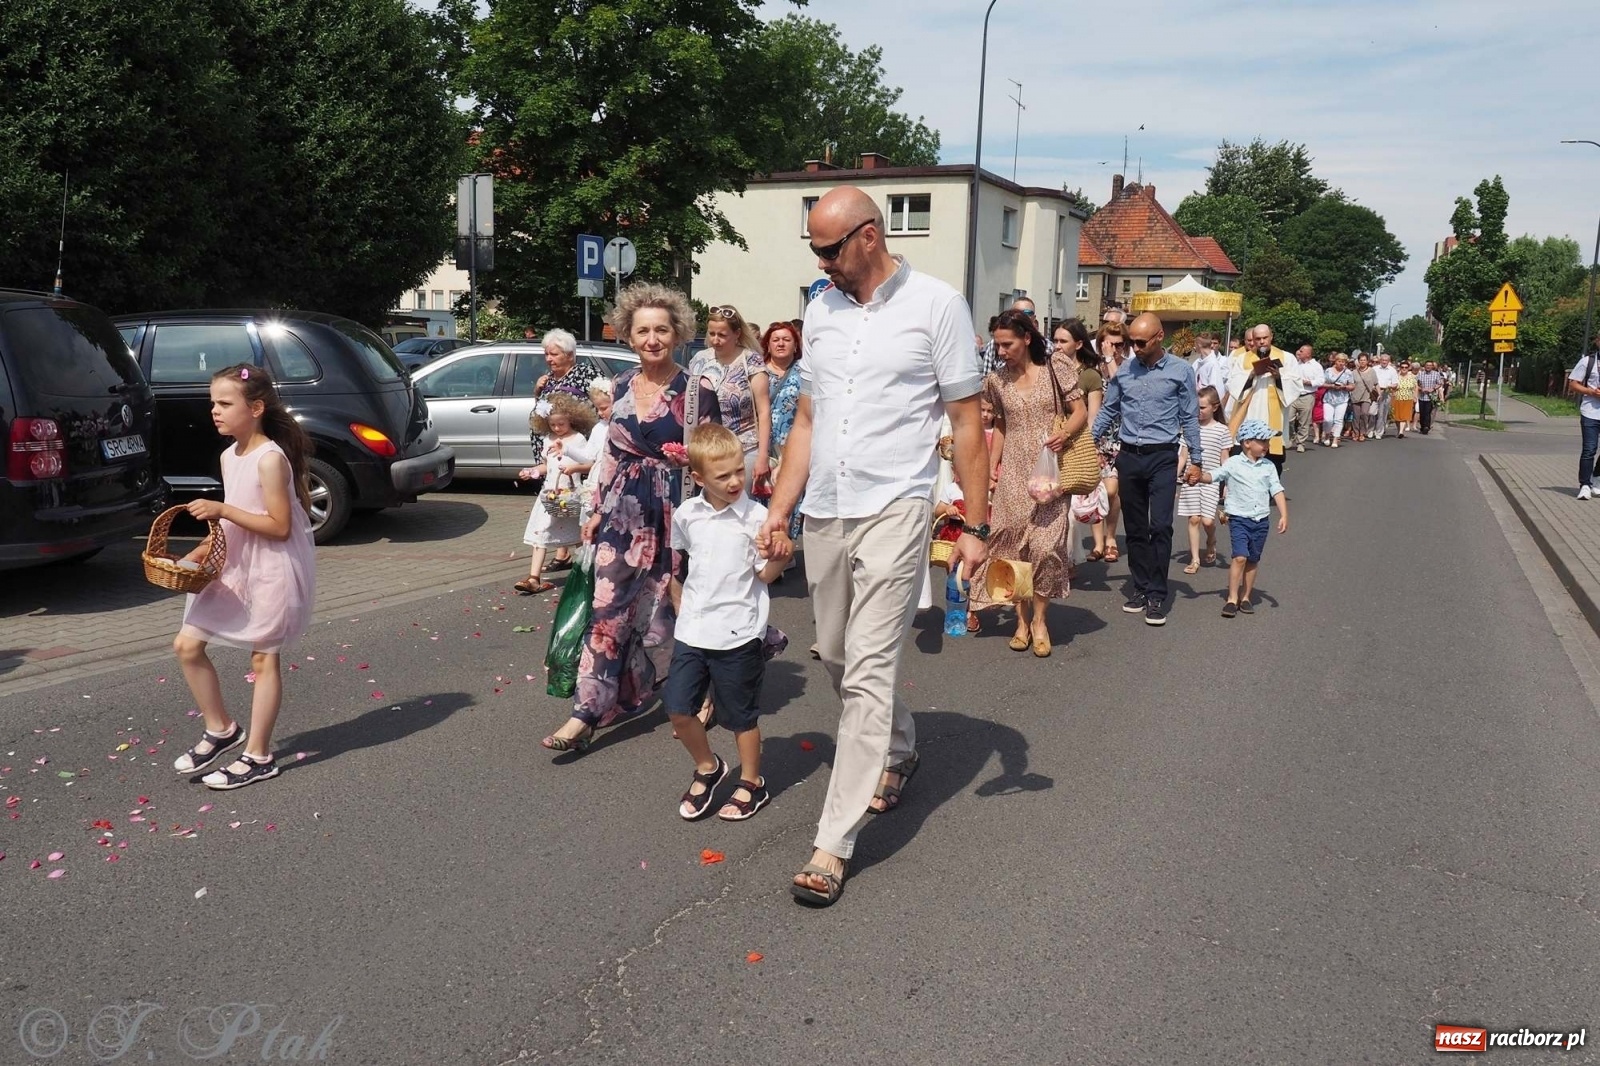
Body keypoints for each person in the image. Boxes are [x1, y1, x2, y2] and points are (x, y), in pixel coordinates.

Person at [759, 185, 989, 907]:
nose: (820, 262)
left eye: (828, 248)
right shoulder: (820, 310)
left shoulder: (938, 305)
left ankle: (833, 842)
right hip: (827, 507)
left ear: (868, 236)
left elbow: (967, 421)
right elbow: (807, 420)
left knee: (867, 669)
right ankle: (899, 744)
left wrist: (976, 527)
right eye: (813, 249)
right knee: (833, 652)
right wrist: (779, 511)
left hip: (897, 503)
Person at [540, 284, 720, 753]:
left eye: (662, 330)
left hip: (678, 511)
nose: (652, 339)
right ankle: (586, 711)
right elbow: (612, 456)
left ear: (677, 333)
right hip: (622, 512)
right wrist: (596, 509)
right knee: (608, 610)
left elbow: (718, 458)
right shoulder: (619, 385)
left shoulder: (697, 391)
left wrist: (690, 463)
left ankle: (705, 688)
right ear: (628, 335)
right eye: (643, 331)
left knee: (683, 606)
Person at [170, 364, 316, 791]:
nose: (214, 411)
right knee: (186, 645)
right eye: (212, 402)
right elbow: (232, 523)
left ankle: (259, 756)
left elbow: (279, 527)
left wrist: (222, 509)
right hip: (234, 565)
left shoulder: (270, 459)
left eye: (224, 403)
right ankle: (221, 729)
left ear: (255, 408)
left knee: (263, 658)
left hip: (270, 567)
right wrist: (199, 551)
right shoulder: (228, 455)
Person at [666, 425, 790, 822]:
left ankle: (752, 781)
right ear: (699, 478)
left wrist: (782, 557)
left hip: (738, 631)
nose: (735, 481)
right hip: (693, 629)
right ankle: (708, 766)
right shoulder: (686, 515)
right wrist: (677, 601)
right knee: (679, 709)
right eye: (723, 476)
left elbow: (765, 575)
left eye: (739, 470)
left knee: (740, 716)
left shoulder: (758, 518)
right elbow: (682, 565)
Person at [969, 308, 1087, 656]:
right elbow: (1001, 426)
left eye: (1007, 344)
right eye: (997, 344)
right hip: (1014, 473)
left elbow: (1080, 411)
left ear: (1027, 338)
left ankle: (1040, 620)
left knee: (1046, 548)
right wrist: (993, 465)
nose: (1001, 351)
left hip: (1050, 470)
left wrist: (1064, 434)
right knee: (1014, 550)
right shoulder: (996, 381)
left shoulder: (1055, 367)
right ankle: (1021, 621)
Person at [1090, 311, 1203, 626]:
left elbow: (1189, 416)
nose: (1135, 348)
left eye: (1141, 342)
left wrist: (1197, 459)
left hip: (1163, 456)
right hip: (1129, 456)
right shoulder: (1126, 370)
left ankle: (1157, 593)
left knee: (1161, 526)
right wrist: (1088, 442)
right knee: (1136, 528)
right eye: (1132, 342)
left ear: (1159, 337)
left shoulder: (1180, 371)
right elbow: (1109, 409)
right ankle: (1140, 587)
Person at [1198, 420, 1288, 617]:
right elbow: (1215, 475)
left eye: (1268, 441)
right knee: (1240, 557)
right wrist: (1198, 476)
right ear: (1247, 443)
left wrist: (1284, 514)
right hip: (1239, 519)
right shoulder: (1233, 463)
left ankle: (1245, 597)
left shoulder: (1269, 466)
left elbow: (1277, 489)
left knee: (1252, 559)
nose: (1267, 445)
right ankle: (1232, 598)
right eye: (1262, 441)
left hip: (1261, 520)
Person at [531, 329, 601, 571]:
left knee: (573, 499)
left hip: (576, 450)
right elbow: (541, 411)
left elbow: (599, 406)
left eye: (554, 354)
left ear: (570, 355)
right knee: (558, 498)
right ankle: (563, 554)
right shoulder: (549, 379)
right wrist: (537, 391)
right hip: (549, 447)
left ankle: (579, 557)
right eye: (546, 354)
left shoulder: (585, 374)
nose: (549, 359)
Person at [515, 394, 597, 595]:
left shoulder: (578, 439)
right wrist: (531, 471)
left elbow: (589, 464)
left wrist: (574, 469)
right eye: (552, 424)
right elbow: (546, 466)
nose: (557, 428)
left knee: (580, 536)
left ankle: (586, 573)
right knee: (540, 533)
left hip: (572, 495)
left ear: (572, 419)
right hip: (550, 495)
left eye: (561, 424)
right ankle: (533, 577)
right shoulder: (548, 439)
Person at [692, 306, 772, 490]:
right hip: (706, 450)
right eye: (711, 333)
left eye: (722, 335)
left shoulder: (750, 360)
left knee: (738, 504)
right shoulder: (699, 359)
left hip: (744, 449)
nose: (715, 340)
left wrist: (763, 456)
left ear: (737, 334)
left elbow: (764, 412)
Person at [1057, 319, 1107, 562]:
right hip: (1053, 443)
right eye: (1055, 340)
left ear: (1078, 344)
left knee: (1071, 508)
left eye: (1063, 341)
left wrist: (1091, 449)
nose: (1057, 346)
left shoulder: (1089, 376)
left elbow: (1093, 416)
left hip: (1077, 445)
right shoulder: (1048, 371)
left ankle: (1068, 559)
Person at [1225, 324, 1299, 473]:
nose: (1262, 342)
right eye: (1258, 339)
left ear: (1271, 337)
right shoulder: (1242, 359)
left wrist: (1278, 377)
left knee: (1272, 466)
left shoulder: (1287, 358)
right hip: (1249, 414)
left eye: (1265, 338)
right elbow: (1232, 383)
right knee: (1244, 465)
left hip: (1274, 417)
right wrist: (1251, 374)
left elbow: (1296, 384)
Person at [1177, 386, 1232, 574]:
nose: (1198, 411)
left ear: (1214, 407)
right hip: (1191, 480)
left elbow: (1225, 460)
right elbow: (1183, 456)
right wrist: (1174, 475)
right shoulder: (1189, 428)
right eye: (1196, 407)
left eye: (1202, 408)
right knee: (1194, 519)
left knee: (1208, 521)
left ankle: (1211, 540)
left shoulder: (1222, 430)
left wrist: (1228, 484)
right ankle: (1195, 559)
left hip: (1211, 481)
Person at [1092, 321, 1129, 563]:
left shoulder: (1129, 368)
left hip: (1121, 436)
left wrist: (1110, 360)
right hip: (1098, 435)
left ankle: (1111, 536)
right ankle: (1098, 542)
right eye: (1109, 344)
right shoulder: (1093, 370)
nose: (1114, 349)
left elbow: (1123, 390)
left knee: (1113, 490)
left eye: (1119, 344)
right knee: (1096, 488)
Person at [763, 321, 805, 536]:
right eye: (776, 340)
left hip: (793, 446)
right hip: (761, 446)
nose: (781, 344)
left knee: (789, 496)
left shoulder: (805, 372)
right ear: (768, 345)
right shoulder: (757, 372)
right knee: (762, 497)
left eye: (786, 340)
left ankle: (784, 543)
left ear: (796, 345)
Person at [1567, 336, 1600, 499]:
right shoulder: (1588, 361)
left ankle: (1596, 477)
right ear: (1598, 341)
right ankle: (1585, 485)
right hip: (1590, 412)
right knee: (1589, 449)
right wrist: (1591, 392)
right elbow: (1573, 384)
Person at [982, 295, 1039, 375]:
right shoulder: (992, 346)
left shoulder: (1047, 348)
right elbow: (986, 377)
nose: (1001, 352)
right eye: (1016, 313)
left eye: (1026, 313)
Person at [1288, 345, 1323, 452]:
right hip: (1294, 395)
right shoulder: (1295, 364)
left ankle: (1301, 443)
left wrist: (1309, 382)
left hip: (1307, 395)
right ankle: (1291, 436)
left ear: (1308, 354)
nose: (1299, 352)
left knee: (1304, 421)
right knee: (1288, 419)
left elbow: (1321, 380)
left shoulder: (1316, 366)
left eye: (1302, 351)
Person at [1321, 352, 1354, 448]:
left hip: (1342, 399)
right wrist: (1332, 386)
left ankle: (1335, 438)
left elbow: (1352, 386)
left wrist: (1344, 387)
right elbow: (1322, 383)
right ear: (1335, 361)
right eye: (1339, 361)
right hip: (1329, 398)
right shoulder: (1328, 371)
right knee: (1328, 419)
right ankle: (1327, 434)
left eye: (1343, 362)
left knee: (1338, 420)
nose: (1341, 363)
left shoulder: (1348, 372)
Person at [1192, 332, 1231, 406]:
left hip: (1207, 405)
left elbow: (1214, 391)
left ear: (1199, 345)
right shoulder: (1197, 363)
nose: (1194, 347)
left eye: (1195, 344)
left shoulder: (1212, 364)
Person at [1371, 352, 1400, 439]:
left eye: (1386, 360)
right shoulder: (1374, 369)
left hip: (1386, 392)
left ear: (1388, 361)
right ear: (1380, 360)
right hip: (1374, 392)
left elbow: (1395, 384)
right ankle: (1370, 429)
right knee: (1372, 412)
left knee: (1382, 413)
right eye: (1383, 360)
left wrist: (1389, 386)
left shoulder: (1392, 370)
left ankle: (1379, 432)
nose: (1384, 362)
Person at [1350, 352, 1375, 442]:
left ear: (1367, 361)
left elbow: (1376, 383)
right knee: (1356, 416)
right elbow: (1350, 383)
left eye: (1364, 360)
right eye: (1361, 360)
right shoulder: (1353, 372)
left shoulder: (1372, 371)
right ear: (1358, 361)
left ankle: (1362, 432)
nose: (1362, 362)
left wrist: (1378, 394)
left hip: (1366, 396)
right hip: (1356, 395)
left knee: (1364, 413)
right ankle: (1356, 432)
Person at [1416, 360, 1445, 434]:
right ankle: (1422, 426)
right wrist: (1421, 389)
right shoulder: (1420, 374)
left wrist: (1433, 388)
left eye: (1430, 365)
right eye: (1427, 365)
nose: (1428, 367)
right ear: (1424, 366)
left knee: (1427, 412)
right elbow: (1416, 384)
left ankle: (1426, 427)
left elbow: (1440, 383)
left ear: (1432, 367)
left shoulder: (1436, 374)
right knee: (1422, 413)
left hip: (1431, 397)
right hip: (1422, 397)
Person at [1391, 361, 1417, 438]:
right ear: (1400, 368)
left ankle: (1401, 431)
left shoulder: (1412, 377)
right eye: (1402, 367)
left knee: (1405, 415)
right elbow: (1392, 387)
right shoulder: (1396, 377)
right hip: (1397, 398)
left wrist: (1415, 397)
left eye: (1406, 367)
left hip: (1408, 398)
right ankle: (1399, 430)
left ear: (1408, 368)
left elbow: (1415, 387)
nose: (1404, 369)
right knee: (1397, 416)